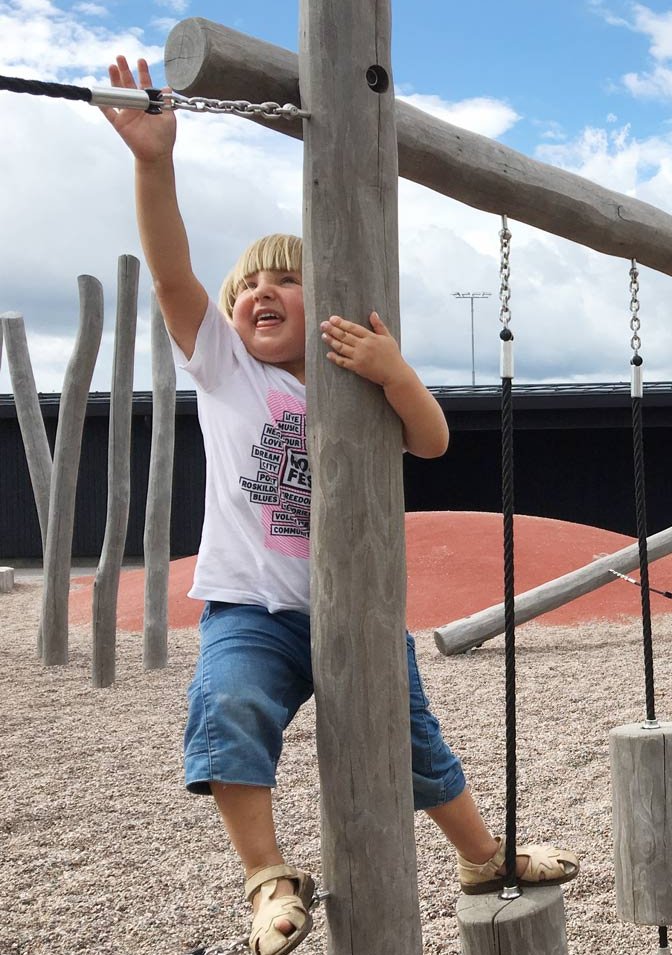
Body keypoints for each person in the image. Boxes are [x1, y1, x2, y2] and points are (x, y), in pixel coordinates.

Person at [102, 56, 576, 955]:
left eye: (285, 280)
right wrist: (153, 163)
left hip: (355, 608)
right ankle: (267, 876)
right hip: (253, 606)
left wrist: (394, 373)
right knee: (226, 705)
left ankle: (482, 856)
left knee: (413, 742)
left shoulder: (354, 375)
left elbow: (431, 440)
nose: (258, 295)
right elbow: (171, 277)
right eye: (247, 287)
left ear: (331, 300)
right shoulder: (226, 368)